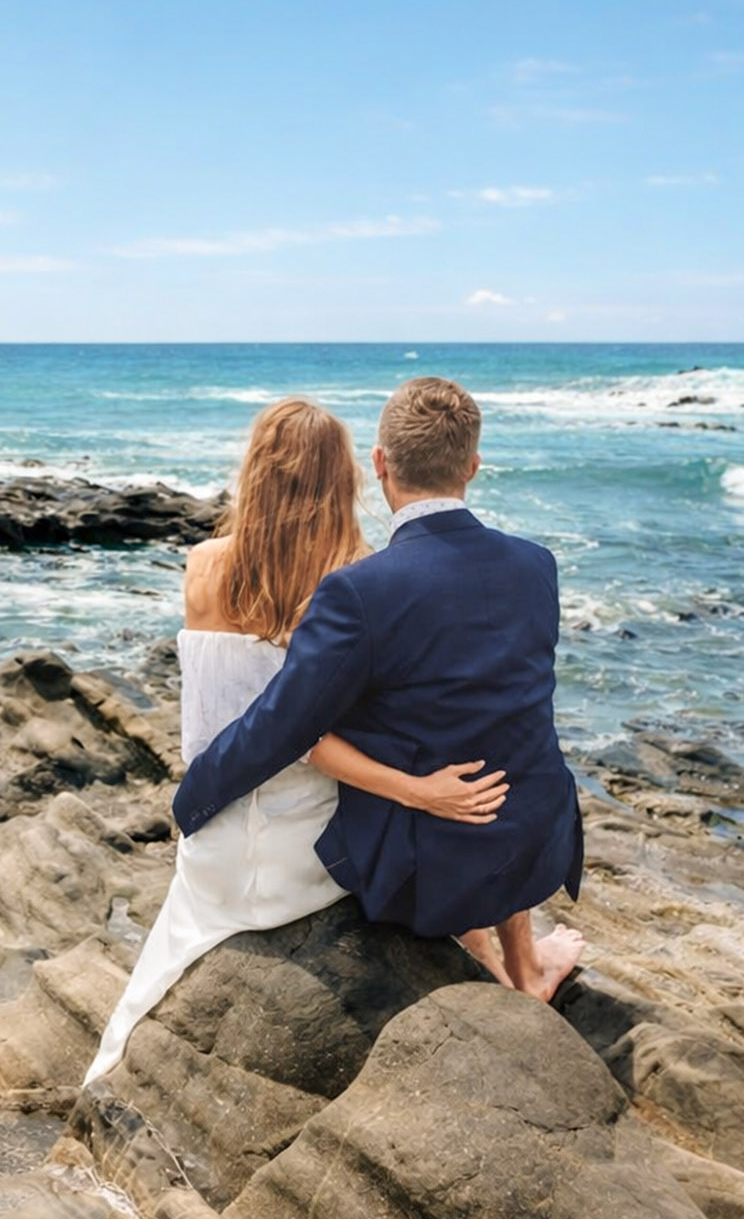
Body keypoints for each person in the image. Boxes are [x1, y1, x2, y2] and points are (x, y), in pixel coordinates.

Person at [84, 397, 511, 1085]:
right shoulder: (362, 581)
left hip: (213, 848)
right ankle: (503, 961)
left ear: (254, 472)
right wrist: (420, 790)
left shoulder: (201, 565)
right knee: (449, 775)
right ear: (347, 480)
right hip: (306, 864)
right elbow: (312, 738)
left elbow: (226, 725)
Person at [171, 376, 585, 1004]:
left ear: (382, 463)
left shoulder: (362, 589)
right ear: (473, 466)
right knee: (475, 720)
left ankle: (506, 969)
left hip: (433, 864)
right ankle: (523, 966)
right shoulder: (537, 563)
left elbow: (286, 725)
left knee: (407, 732)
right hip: (538, 837)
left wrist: (193, 802)